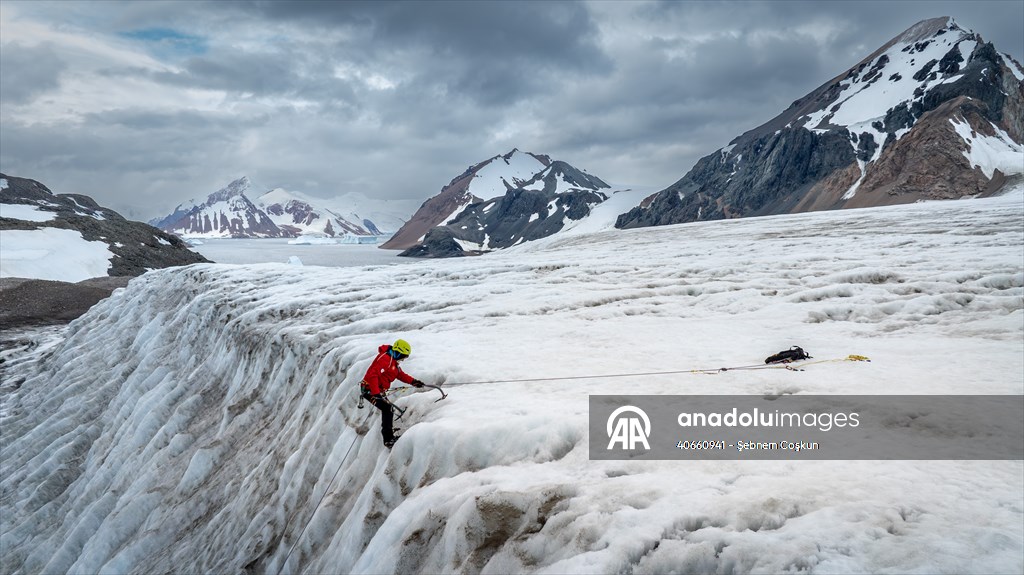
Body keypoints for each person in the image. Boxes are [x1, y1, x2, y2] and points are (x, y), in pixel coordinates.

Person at [361, 339, 424, 448]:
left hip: (377, 391)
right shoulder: (384, 359)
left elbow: (400, 374)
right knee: (387, 408)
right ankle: (388, 439)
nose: (402, 359)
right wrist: (376, 394)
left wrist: (414, 382)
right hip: (369, 390)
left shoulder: (392, 361)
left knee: (388, 408)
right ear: (398, 352)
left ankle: (389, 434)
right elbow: (372, 376)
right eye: (402, 356)